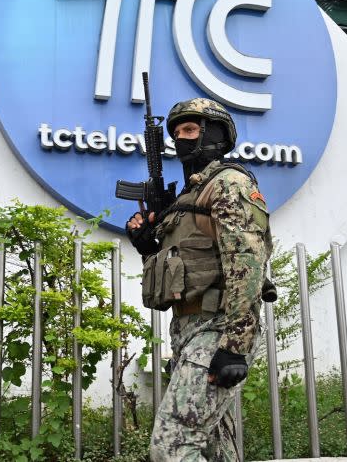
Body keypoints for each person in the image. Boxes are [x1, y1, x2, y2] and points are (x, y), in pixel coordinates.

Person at [126, 98, 271, 462]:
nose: (181, 139)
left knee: (172, 446)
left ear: (217, 136)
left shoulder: (229, 184)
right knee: (216, 449)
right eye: (176, 133)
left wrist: (235, 344)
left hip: (218, 328)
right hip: (188, 328)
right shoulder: (190, 195)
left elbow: (247, 262)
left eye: (190, 130)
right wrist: (147, 245)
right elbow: (181, 265)